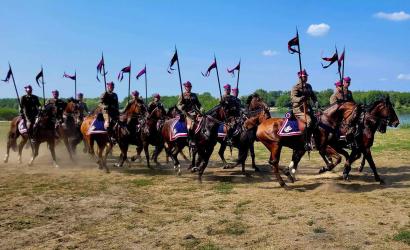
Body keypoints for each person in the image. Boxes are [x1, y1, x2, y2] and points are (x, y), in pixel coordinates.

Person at [290, 69, 318, 150]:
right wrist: (300, 99)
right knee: (309, 121)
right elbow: (293, 98)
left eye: (306, 76)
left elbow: (313, 96)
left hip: (308, 108)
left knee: (319, 120)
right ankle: (306, 141)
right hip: (299, 109)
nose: (306, 78)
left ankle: (316, 139)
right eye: (304, 76)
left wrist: (316, 103)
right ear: (300, 77)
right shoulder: (296, 87)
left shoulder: (309, 86)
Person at [177, 81, 202, 147]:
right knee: (191, 124)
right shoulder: (182, 95)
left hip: (195, 112)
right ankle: (191, 140)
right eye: (187, 87)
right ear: (185, 87)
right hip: (187, 113)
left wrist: (201, 109)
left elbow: (199, 104)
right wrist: (181, 107)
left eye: (189, 86)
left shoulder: (194, 95)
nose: (188, 88)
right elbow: (178, 105)